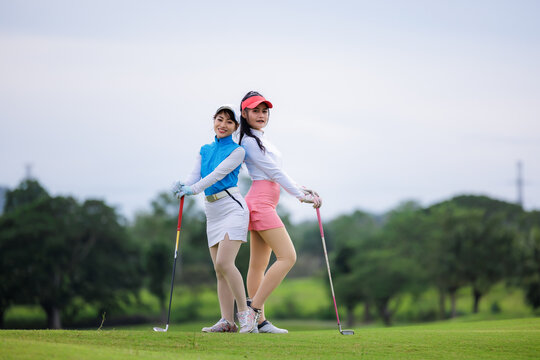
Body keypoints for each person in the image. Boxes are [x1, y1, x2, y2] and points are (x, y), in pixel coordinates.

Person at [239, 91, 322, 334]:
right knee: (288, 257)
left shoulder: (262, 139)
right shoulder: (248, 141)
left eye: (265, 111)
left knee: (258, 265)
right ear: (244, 113)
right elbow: (273, 173)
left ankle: (261, 322)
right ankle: (252, 311)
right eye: (255, 110)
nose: (261, 115)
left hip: (264, 202)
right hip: (260, 204)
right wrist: (300, 196)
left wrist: (301, 187)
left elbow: (277, 171)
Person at [172, 104, 258, 333]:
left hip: (232, 208)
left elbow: (216, 175)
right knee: (219, 270)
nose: (223, 125)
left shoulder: (237, 151)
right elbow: (195, 175)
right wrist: (184, 185)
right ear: (213, 121)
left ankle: (246, 315)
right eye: (219, 119)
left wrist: (194, 190)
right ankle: (226, 321)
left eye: (229, 122)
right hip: (212, 212)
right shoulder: (205, 149)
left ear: (236, 127)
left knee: (224, 263)